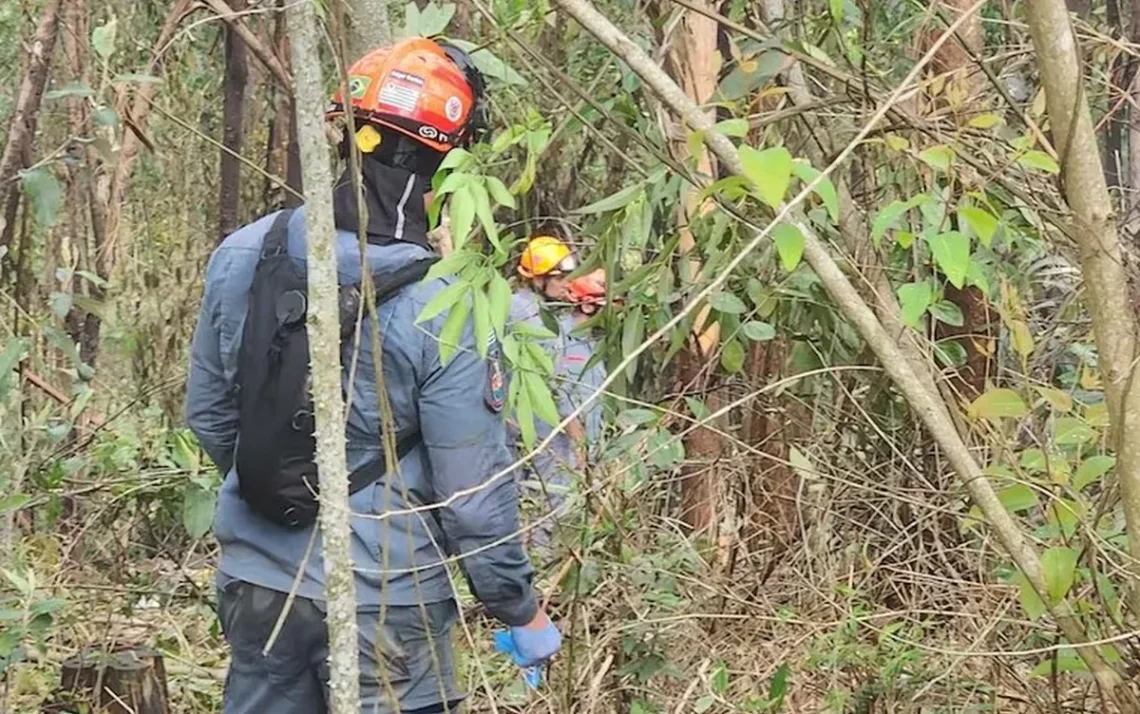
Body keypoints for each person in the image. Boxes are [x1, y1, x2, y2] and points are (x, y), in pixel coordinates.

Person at [185, 38, 560, 714]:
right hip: (388, 595)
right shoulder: (452, 308)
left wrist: (280, 488)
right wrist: (518, 609)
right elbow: (472, 499)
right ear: (451, 162)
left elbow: (210, 416)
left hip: (256, 581)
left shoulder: (243, 253)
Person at [507, 236, 608, 558]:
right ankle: (537, 567)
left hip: (541, 428)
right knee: (549, 504)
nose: (567, 285)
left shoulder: (542, 312)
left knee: (541, 504)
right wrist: (579, 444)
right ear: (538, 278)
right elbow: (557, 385)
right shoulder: (527, 313)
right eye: (560, 278)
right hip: (544, 430)